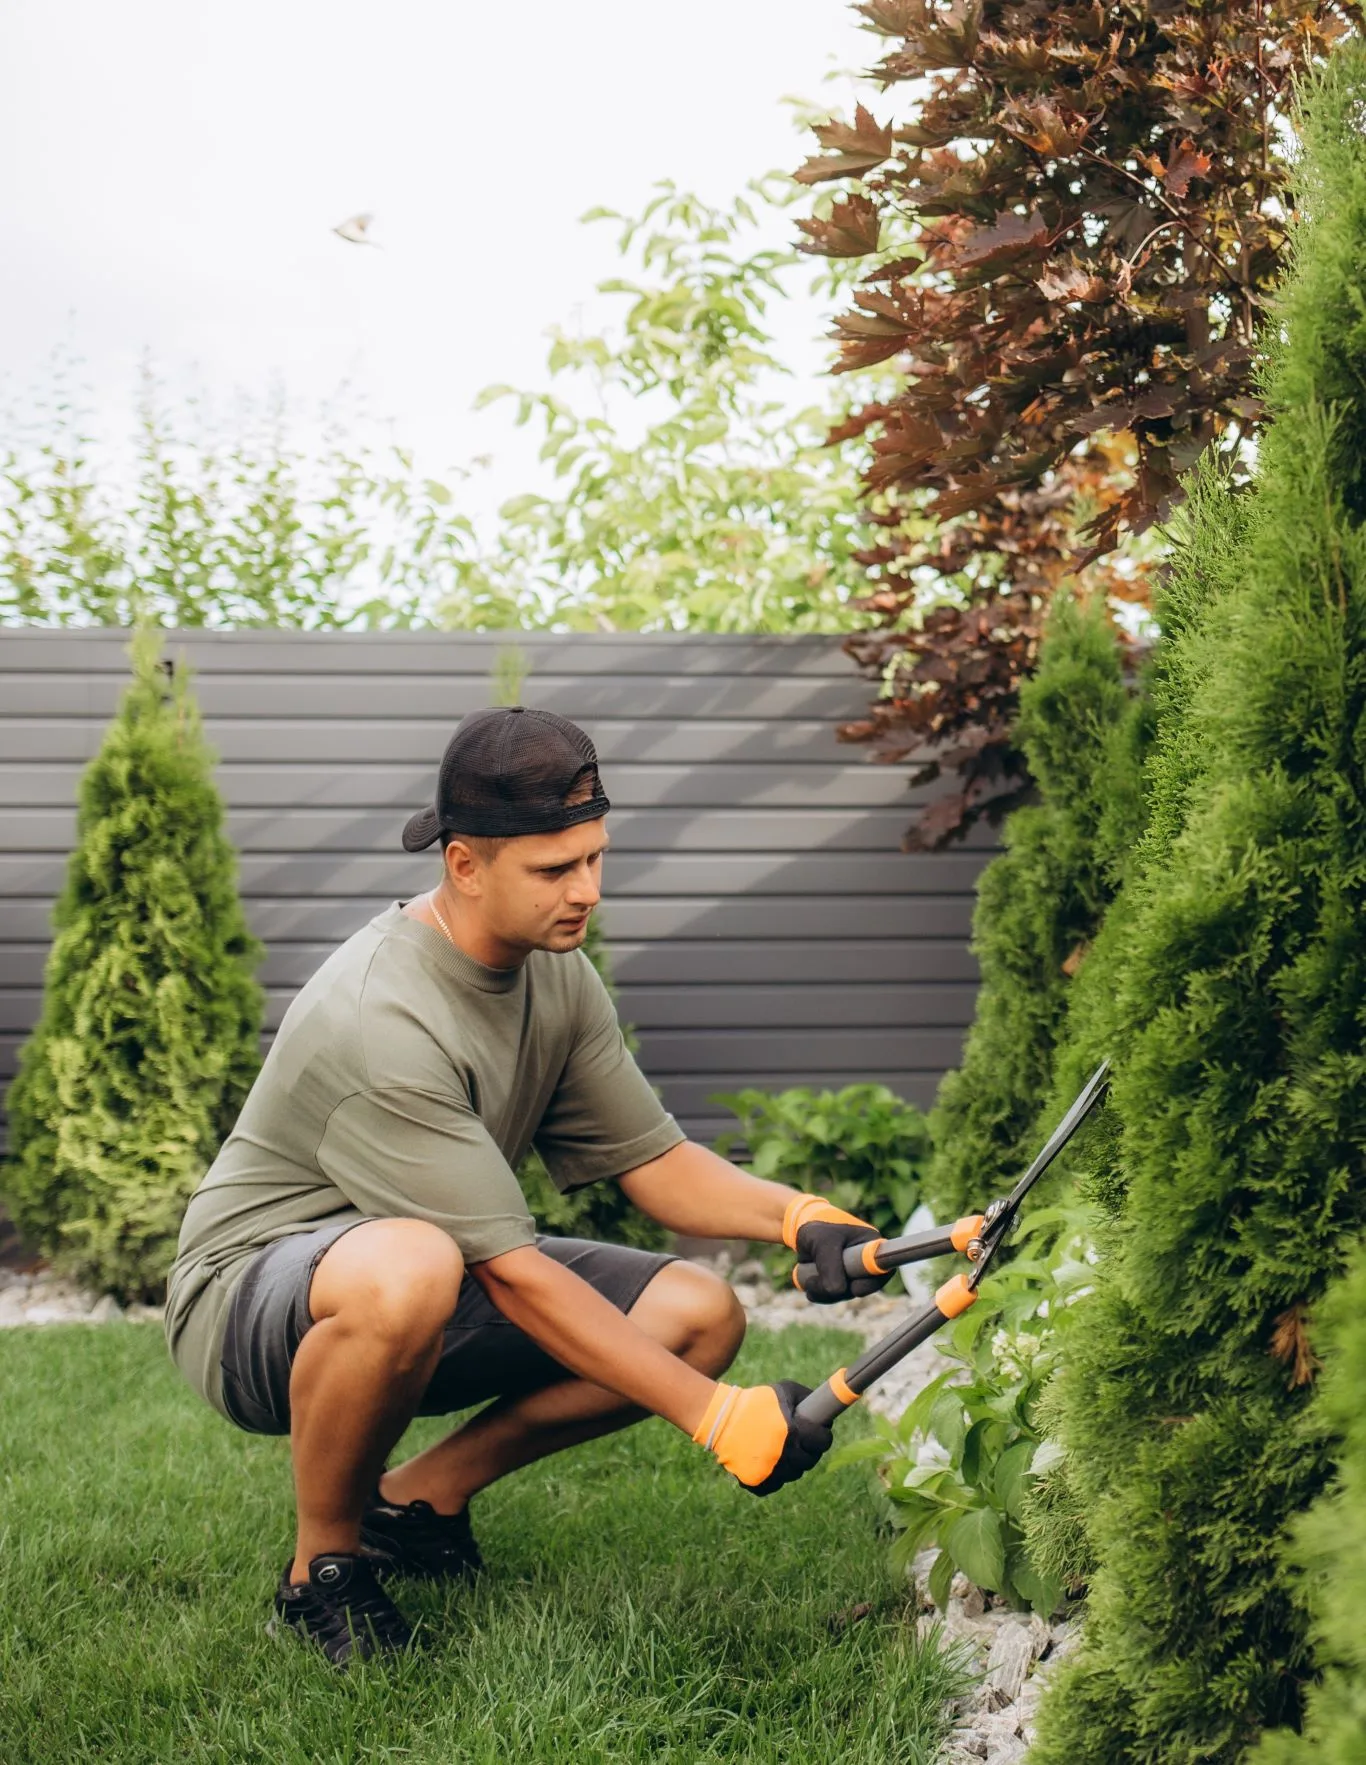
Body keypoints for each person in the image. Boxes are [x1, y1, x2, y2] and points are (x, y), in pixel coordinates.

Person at [164, 706, 892, 1665]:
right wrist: (716, 1418)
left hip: (421, 1260)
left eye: (593, 857)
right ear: (464, 864)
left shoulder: (560, 977)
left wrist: (796, 1216)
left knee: (697, 1313)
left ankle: (414, 1502)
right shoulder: (380, 1013)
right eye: (554, 869)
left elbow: (653, 1161)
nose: (585, 890)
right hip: (247, 1300)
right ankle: (322, 1568)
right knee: (414, 1265)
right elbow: (507, 1271)